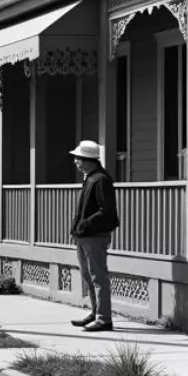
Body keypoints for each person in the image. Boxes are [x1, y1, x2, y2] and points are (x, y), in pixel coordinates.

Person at [69, 140, 120, 332]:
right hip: (84, 236)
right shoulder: (90, 177)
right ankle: (96, 312)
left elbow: (107, 212)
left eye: (78, 158)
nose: (76, 162)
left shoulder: (100, 180)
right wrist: (78, 229)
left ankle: (104, 319)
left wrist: (85, 224)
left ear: (89, 159)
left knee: (98, 277)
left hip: (95, 237)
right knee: (89, 277)